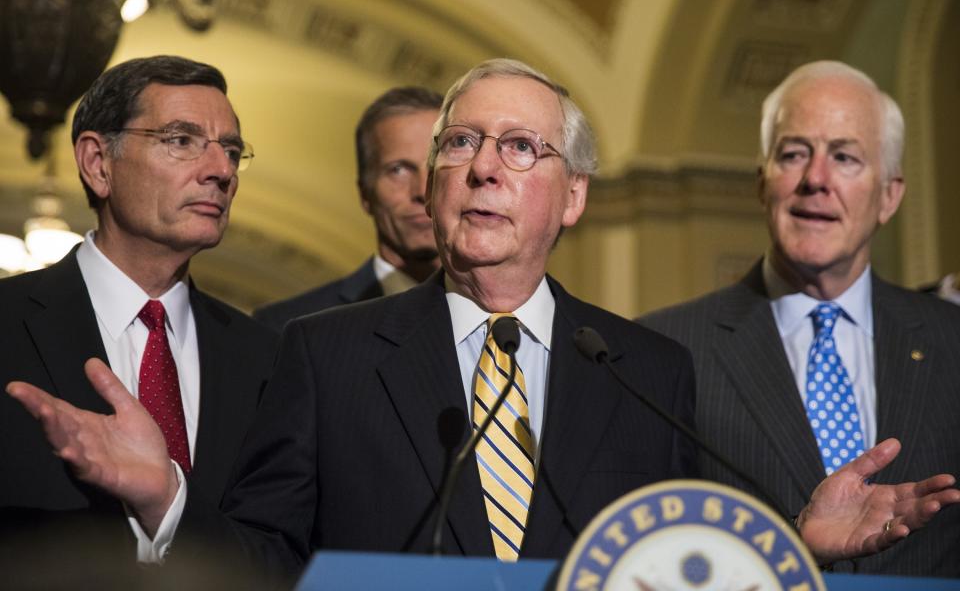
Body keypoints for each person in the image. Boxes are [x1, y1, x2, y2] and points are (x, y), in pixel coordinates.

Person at [8, 59, 958, 582]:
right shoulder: (324, 354)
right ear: (431, 181)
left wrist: (795, 541)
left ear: (572, 196)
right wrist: (165, 496)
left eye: (520, 146)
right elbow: (262, 563)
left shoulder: (646, 367)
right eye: (460, 144)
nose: (483, 167)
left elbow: (674, 567)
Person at [640, 60, 960, 576]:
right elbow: (647, 552)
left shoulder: (953, 344)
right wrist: (791, 543)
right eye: (793, 154)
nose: (816, 179)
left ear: (890, 195)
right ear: (762, 182)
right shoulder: (663, 349)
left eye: (845, 157)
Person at [0, 56, 279, 561]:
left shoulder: (271, 358)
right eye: (180, 140)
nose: (220, 171)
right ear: (98, 164)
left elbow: (285, 554)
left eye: (232, 151)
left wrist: (167, 503)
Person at [253, 87, 442, 330]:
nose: (421, 191)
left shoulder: (500, 312)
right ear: (365, 194)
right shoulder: (285, 327)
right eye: (398, 170)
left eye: (436, 166)